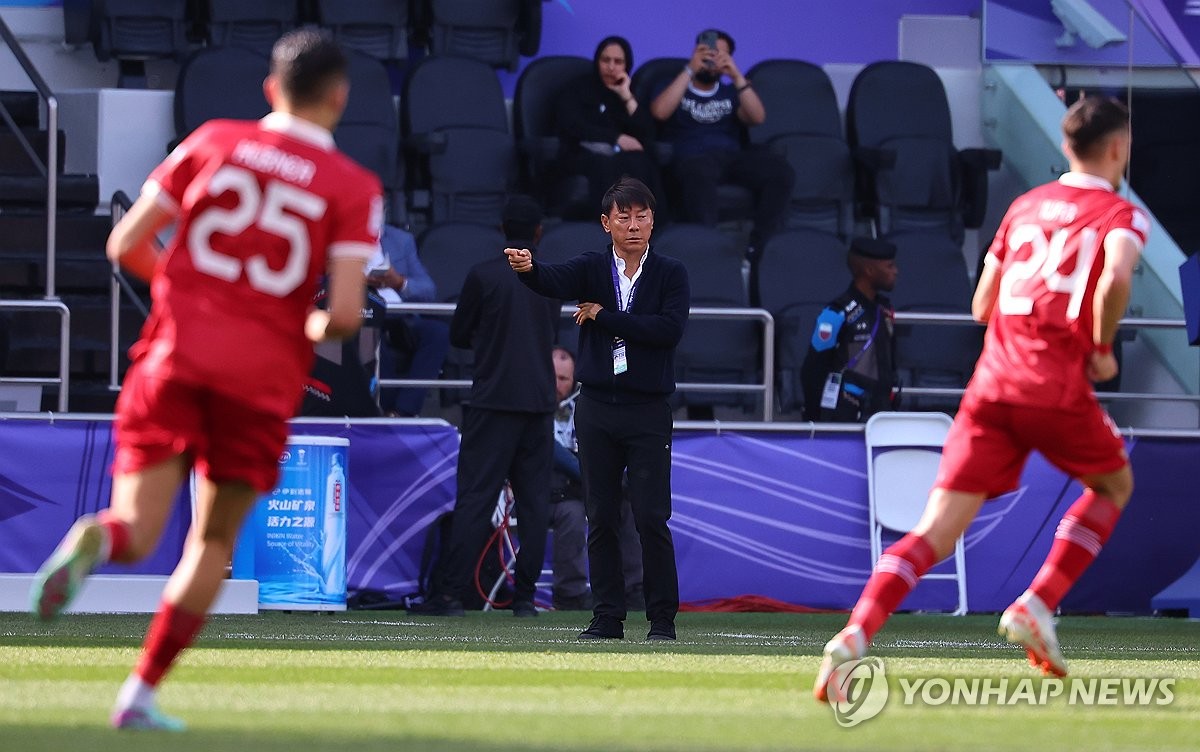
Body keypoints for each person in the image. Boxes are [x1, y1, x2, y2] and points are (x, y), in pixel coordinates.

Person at [30, 29, 381, 730]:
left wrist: (188, 301)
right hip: (257, 382)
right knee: (212, 544)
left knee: (136, 527)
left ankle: (98, 534)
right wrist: (293, 328)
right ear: (339, 97)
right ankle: (139, 694)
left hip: (176, 357)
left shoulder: (213, 139)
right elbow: (343, 314)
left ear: (269, 90)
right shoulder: (352, 187)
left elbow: (125, 244)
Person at [814, 95, 1147, 701]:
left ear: (1064, 147)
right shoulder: (1118, 214)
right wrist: (1100, 345)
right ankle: (1039, 602)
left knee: (934, 532)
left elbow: (981, 306)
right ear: (1119, 147)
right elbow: (1117, 276)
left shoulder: (1024, 207)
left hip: (992, 383)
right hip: (1055, 382)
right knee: (1114, 486)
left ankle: (854, 636)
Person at [506, 176, 690, 641]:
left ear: (653, 221)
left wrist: (603, 316)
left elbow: (667, 330)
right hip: (597, 408)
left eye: (642, 216)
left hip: (648, 410)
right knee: (600, 515)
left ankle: (662, 620)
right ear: (606, 223)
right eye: (623, 217)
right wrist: (529, 268)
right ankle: (607, 617)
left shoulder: (671, 272)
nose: (633, 225)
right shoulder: (592, 266)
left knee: (651, 516)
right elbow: (552, 279)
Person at [409, 195, 559, 618]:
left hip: (493, 403)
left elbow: (457, 334)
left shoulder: (484, 275)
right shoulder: (550, 280)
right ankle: (526, 598)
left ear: (501, 232)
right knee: (533, 507)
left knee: (475, 500)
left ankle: (451, 595)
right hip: (539, 404)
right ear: (538, 234)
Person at [649, 28, 794, 256]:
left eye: (720, 55)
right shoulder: (672, 84)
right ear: (695, 52)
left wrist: (736, 75)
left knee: (779, 171)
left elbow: (757, 117)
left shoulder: (730, 91)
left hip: (731, 157)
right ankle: (710, 249)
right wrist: (689, 69)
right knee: (698, 174)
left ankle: (760, 247)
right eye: (706, 52)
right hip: (692, 157)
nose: (711, 59)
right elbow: (659, 112)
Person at [548, 346, 645, 612]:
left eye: (564, 379)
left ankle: (633, 590)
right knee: (572, 514)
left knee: (626, 505)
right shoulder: (533, 406)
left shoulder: (583, 405)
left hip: (586, 489)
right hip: (549, 494)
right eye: (552, 376)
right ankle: (570, 595)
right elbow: (553, 452)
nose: (557, 385)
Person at [555, 35, 664, 219]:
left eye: (618, 61)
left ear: (627, 65)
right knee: (605, 164)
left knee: (642, 160)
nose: (611, 67)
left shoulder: (630, 91)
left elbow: (647, 134)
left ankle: (652, 225)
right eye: (605, 60)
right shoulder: (577, 88)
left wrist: (626, 96)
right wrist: (616, 138)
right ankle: (606, 225)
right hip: (583, 152)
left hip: (622, 156)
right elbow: (572, 125)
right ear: (597, 61)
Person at [799, 237, 899, 422]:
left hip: (881, 415)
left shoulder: (883, 309)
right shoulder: (837, 312)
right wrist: (813, 418)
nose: (896, 271)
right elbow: (813, 368)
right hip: (845, 416)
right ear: (869, 271)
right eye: (889, 266)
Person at [369, 224, 450, 417]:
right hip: (362, 314)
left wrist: (398, 282)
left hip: (399, 313)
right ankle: (385, 411)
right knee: (374, 340)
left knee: (437, 333)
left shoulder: (401, 240)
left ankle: (404, 412)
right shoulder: (340, 232)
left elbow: (427, 289)